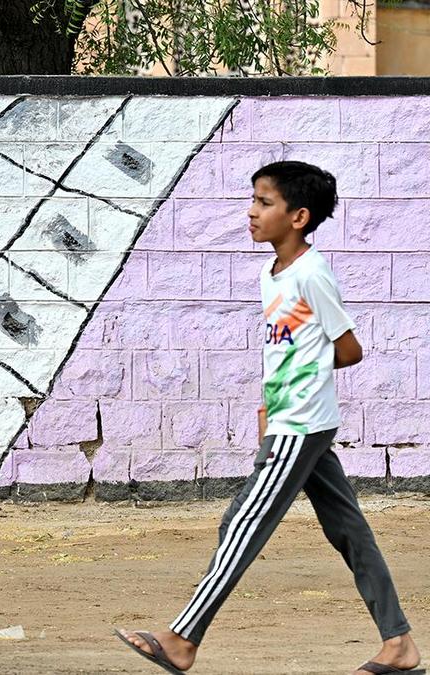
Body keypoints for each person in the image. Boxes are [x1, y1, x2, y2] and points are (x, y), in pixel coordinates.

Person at [115, 161, 422, 675]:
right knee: (349, 529)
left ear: (298, 216)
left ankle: (182, 639)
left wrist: (291, 401)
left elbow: (348, 350)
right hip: (290, 418)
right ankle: (399, 644)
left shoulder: (311, 274)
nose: (251, 212)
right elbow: (286, 349)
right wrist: (268, 405)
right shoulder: (272, 273)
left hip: (301, 423)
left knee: (243, 522)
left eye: (264, 202)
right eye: (253, 200)